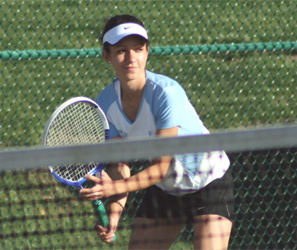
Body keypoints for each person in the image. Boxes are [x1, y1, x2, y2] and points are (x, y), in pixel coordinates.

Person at [79, 14, 234, 250]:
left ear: (147, 52)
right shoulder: (106, 103)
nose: (131, 58)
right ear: (106, 56)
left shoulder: (166, 94)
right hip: (167, 188)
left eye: (138, 49)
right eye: (121, 50)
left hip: (208, 179)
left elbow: (160, 168)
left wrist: (115, 188)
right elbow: (120, 166)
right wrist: (114, 215)